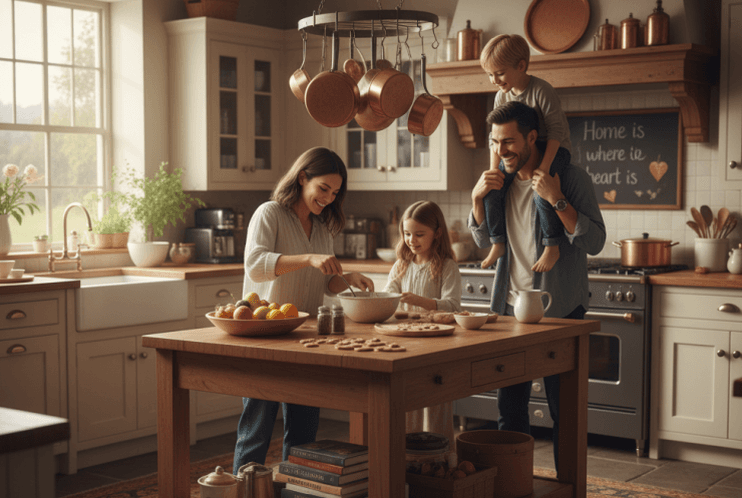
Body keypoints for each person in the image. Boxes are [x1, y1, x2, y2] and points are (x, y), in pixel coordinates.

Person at [468, 101, 605, 471]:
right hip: (509, 312)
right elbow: (484, 239)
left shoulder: (573, 178)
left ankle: (568, 489)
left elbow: (594, 242)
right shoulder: (500, 181)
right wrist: (477, 199)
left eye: (509, 141)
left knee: (566, 417)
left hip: (561, 311)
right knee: (509, 414)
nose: (501, 151)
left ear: (532, 137)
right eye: (496, 143)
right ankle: (513, 487)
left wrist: (555, 199)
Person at [233, 147, 375, 473]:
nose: (327, 198)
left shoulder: (322, 227)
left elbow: (325, 284)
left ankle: (292, 493)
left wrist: (346, 277)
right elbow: (256, 267)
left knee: (304, 438)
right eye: (323, 188)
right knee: (256, 433)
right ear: (302, 178)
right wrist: (309, 259)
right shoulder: (270, 213)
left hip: (307, 340)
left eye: (335, 193)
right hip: (265, 338)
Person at [479, 34, 573, 273]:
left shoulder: (542, 90)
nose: (493, 80)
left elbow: (556, 133)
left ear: (521, 66)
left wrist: (543, 168)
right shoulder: (502, 96)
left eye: (498, 73)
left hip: (554, 150)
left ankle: (552, 245)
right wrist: (494, 172)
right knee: (492, 189)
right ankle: (498, 242)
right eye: (489, 74)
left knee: (543, 186)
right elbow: (495, 137)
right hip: (521, 154)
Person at [384, 200, 461, 450]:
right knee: (408, 401)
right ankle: (409, 458)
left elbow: (452, 305)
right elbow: (388, 297)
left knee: (436, 401)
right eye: (407, 234)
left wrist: (420, 302)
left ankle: (441, 458)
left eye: (419, 234)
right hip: (405, 343)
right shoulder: (401, 265)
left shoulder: (447, 266)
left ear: (437, 234)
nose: (411, 240)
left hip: (436, 346)